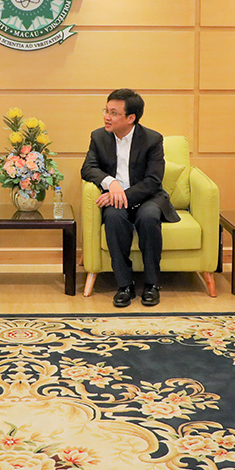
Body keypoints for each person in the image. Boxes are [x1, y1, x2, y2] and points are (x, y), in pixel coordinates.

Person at [82, 88, 179, 308]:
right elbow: (88, 168)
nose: (107, 117)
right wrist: (111, 183)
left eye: (114, 113)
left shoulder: (152, 139)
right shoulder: (98, 137)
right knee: (113, 218)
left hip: (147, 198)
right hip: (115, 198)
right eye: (106, 110)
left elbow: (153, 181)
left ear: (131, 118)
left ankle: (152, 285)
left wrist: (121, 195)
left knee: (148, 218)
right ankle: (124, 285)